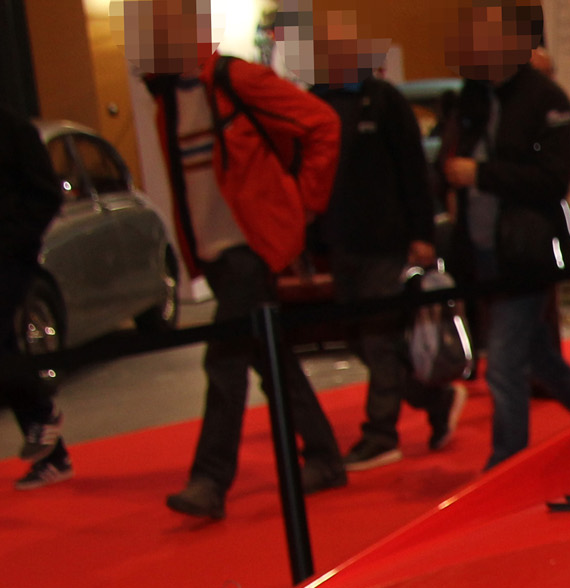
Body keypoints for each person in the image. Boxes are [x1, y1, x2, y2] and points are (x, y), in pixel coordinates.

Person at [128, 0, 346, 521]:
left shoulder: (234, 79)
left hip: (249, 248)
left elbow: (322, 124)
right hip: (220, 257)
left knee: (224, 360)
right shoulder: (168, 101)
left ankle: (210, 479)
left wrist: (303, 204)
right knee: (269, 360)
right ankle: (324, 455)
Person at [439, 2, 570, 470]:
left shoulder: (545, 99)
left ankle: (507, 464)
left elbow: (553, 179)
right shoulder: (472, 98)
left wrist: (481, 174)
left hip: (526, 249)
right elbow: (450, 159)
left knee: (508, 362)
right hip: (481, 247)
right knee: (539, 358)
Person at [311, 9, 464, 473]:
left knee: (377, 338)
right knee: (360, 338)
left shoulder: (385, 101)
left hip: (385, 240)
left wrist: (421, 234)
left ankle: (380, 433)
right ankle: (433, 401)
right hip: (341, 241)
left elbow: (413, 170)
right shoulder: (316, 103)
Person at [2, 104, 67, 490]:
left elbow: (46, 195)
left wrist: (13, 243)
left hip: (9, 258)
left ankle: (43, 419)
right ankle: (52, 451)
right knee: (5, 347)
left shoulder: (12, 129)